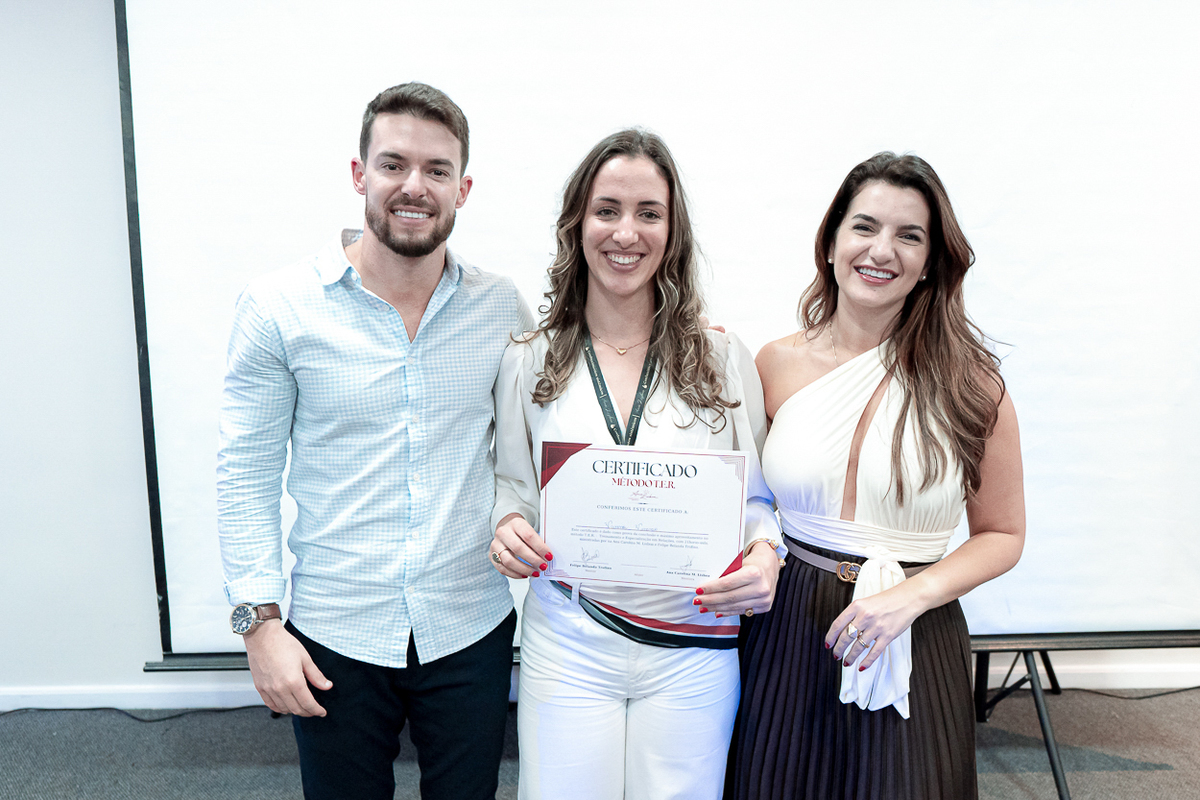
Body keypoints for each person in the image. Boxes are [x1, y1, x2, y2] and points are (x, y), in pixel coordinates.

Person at [217, 83, 532, 800]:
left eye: (437, 170)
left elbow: (555, 413)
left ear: (463, 189)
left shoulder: (498, 307)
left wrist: (674, 339)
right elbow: (246, 473)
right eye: (394, 165)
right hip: (337, 631)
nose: (414, 186)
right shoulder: (278, 308)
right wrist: (259, 627)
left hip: (469, 625)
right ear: (360, 174)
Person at [488, 129, 786, 800]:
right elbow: (514, 486)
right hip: (571, 636)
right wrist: (508, 527)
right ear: (577, 223)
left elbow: (756, 499)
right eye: (607, 210)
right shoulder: (530, 357)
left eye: (649, 213)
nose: (626, 232)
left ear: (672, 232)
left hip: (693, 643)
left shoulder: (720, 357)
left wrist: (765, 555)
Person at [726, 153, 1025, 799]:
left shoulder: (973, 384)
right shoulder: (774, 363)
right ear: (832, 242)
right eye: (864, 226)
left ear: (931, 261)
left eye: (908, 235)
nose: (881, 250)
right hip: (788, 624)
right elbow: (750, 498)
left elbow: (1002, 534)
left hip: (916, 627)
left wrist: (912, 597)